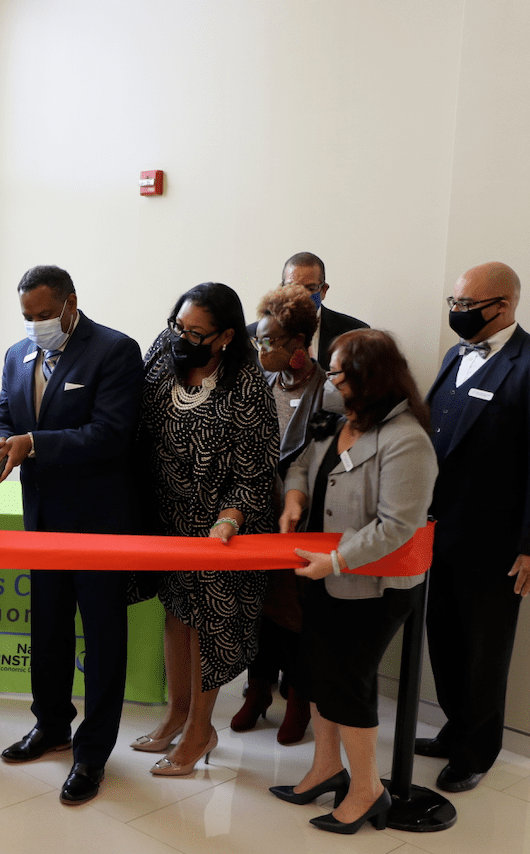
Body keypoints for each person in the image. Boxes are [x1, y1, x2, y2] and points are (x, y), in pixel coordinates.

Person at [0, 265, 142, 805]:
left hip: (99, 522)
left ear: (71, 303)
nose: (35, 325)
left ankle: (92, 752)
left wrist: (35, 443)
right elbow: (3, 414)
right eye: (27, 317)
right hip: (42, 520)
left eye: (45, 315)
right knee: (47, 628)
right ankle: (50, 725)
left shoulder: (115, 351)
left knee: (101, 640)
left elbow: (110, 434)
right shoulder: (16, 355)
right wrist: (1, 440)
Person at [271, 329, 436, 834]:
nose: (330, 381)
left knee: (348, 684)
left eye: (339, 373)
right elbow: (299, 463)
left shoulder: (407, 439)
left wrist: (337, 561)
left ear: (369, 378)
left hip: (372, 587)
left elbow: (396, 526)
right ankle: (327, 767)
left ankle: (367, 791)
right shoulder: (335, 418)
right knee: (316, 674)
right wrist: (295, 499)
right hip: (321, 573)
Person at [131, 282, 278, 776]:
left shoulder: (248, 387)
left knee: (207, 626)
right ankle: (176, 713)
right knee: (175, 613)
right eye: (179, 326)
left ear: (225, 337)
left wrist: (228, 520)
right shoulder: (161, 351)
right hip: (166, 519)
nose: (182, 337)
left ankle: (201, 728)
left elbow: (256, 473)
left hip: (220, 527)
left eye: (196, 332)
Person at [417, 261, 530, 793]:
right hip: (436, 530)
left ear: (503, 305)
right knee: (442, 634)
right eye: (454, 304)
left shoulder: (528, 364)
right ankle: (454, 726)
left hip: (495, 538)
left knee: (484, 645)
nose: (457, 315)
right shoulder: (455, 353)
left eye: (466, 307)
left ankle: (478, 750)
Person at [232, 283, 325, 744]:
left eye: (269, 342)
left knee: (295, 612)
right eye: (259, 340)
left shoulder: (328, 389)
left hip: (303, 521)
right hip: (257, 515)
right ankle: (258, 689)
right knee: (258, 607)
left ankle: (301, 699)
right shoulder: (260, 383)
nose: (260, 349)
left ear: (298, 348)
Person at [246, 253, 368, 369]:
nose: (301, 294)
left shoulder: (356, 334)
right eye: (292, 287)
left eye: (310, 288)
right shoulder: (253, 336)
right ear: (281, 289)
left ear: (323, 290)